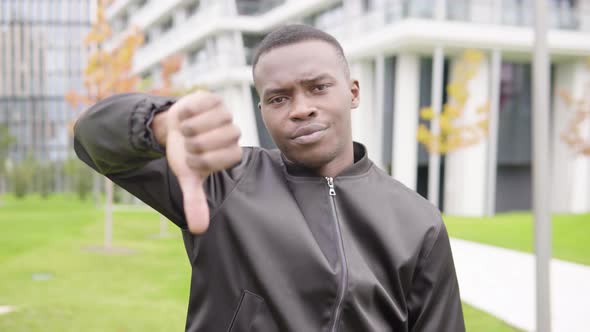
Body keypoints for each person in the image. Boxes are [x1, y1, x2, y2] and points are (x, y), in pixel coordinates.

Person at [74, 24, 465, 332]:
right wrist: (158, 124)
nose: (301, 109)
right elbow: (90, 137)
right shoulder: (222, 181)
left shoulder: (418, 221)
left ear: (353, 92)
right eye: (279, 98)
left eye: (318, 87)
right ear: (262, 110)